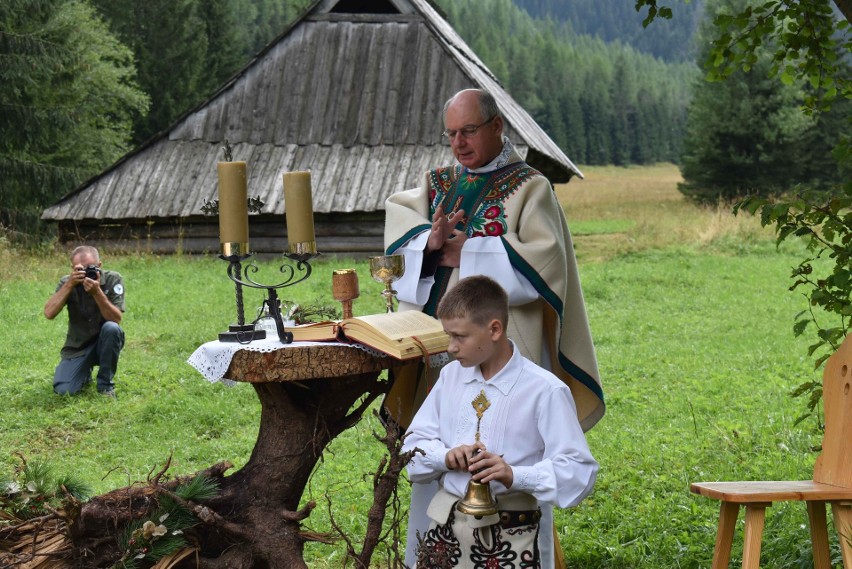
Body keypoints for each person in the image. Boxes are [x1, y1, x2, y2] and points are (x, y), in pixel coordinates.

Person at [383, 88, 604, 566]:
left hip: (504, 347)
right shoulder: (438, 183)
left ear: (497, 127)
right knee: (440, 449)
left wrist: (473, 251)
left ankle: (524, 553)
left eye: (469, 131)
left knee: (508, 456)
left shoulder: (530, 186)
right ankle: (436, 554)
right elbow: (400, 227)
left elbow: (548, 263)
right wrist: (428, 241)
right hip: (442, 351)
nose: (459, 143)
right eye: (451, 134)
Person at [402, 276, 598, 568]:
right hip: (446, 534)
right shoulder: (451, 377)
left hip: (515, 537)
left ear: (494, 329)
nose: (451, 347)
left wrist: (514, 475)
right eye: (448, 335)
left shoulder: (544, 390)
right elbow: (412, 447)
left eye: (460, 336)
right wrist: (446, 456)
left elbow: (579, 471)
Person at [44, 245, 125, 397]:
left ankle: (105, 386)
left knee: (112, 328)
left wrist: (97, 292)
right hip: (78, 347)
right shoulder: (67, 283)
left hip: (104, 342)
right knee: (64, 391)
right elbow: (49, 313)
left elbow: (116, 319)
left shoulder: (112, 279)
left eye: (91, 268)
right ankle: (84, 373)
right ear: (73, 268)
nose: (87, 273)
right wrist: (70, 284)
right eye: (80, 269)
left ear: (99, 265)